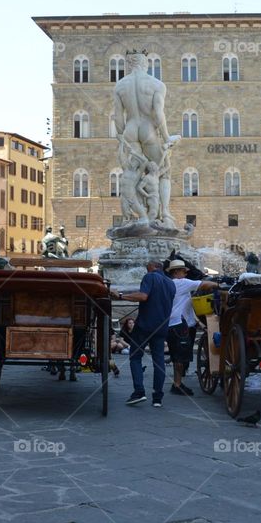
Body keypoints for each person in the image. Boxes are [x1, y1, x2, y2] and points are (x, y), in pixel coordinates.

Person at [113, 50, 178, 227]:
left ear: (129, 65)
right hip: (148, 129)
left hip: (130, 130)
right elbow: (158, 114)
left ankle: (138, 216)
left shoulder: (120, 85)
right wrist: (166, 138)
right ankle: (164, 213)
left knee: (134, 172)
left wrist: (121, 136)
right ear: (146, 64)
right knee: (163, 170)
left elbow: (118, 116)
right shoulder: (156, 84)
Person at [110, 259, 175, 407]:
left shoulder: (150, 276)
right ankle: (158, 398)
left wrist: (120, 296)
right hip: (162, 326)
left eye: (147, 269)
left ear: (152, 267)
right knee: (159, 361)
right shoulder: (171, 283)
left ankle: (139, 392)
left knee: (135, 357)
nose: (146, 271)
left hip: (146, 325)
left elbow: (143, 296)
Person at [165, 259, 219, 396]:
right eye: (183, 271)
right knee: (180, 357)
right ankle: (177, 384)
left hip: (175, 324)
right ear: (176, 272)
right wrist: (219, 284)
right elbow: (204, 284)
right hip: (179, 325)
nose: (185, 273)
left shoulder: (172, 284)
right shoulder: (181, 283)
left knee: (179, 356)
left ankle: (178, 383)